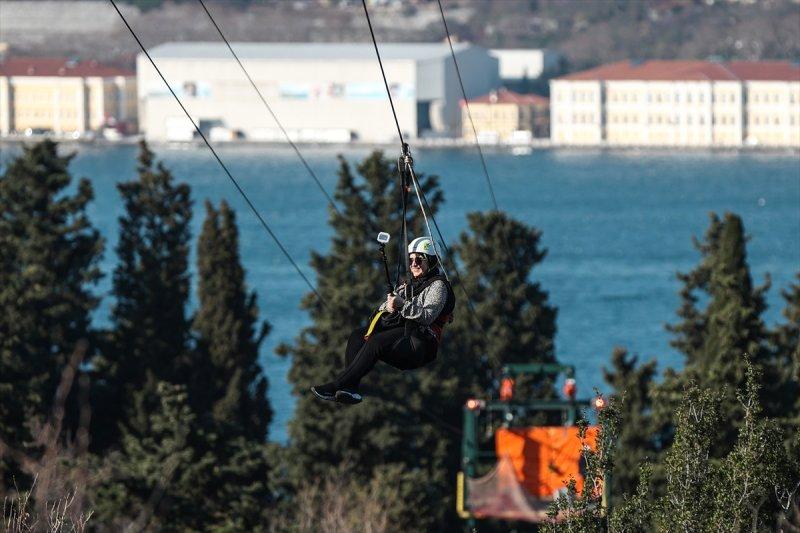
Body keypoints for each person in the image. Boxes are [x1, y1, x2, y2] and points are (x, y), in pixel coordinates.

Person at [311, 237, 455, 404]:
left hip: (419, 344)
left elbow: (426, 317)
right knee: (358, 336)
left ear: (431, 261)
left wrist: (402, 305)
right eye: (411, 260)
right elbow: (383, 308)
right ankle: (350, 389)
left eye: (419, 259)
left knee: (376, 342)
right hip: (405, 336)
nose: (413, 264)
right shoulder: (409, 286)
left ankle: (337, 385)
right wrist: (389, 306)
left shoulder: (438, 286)